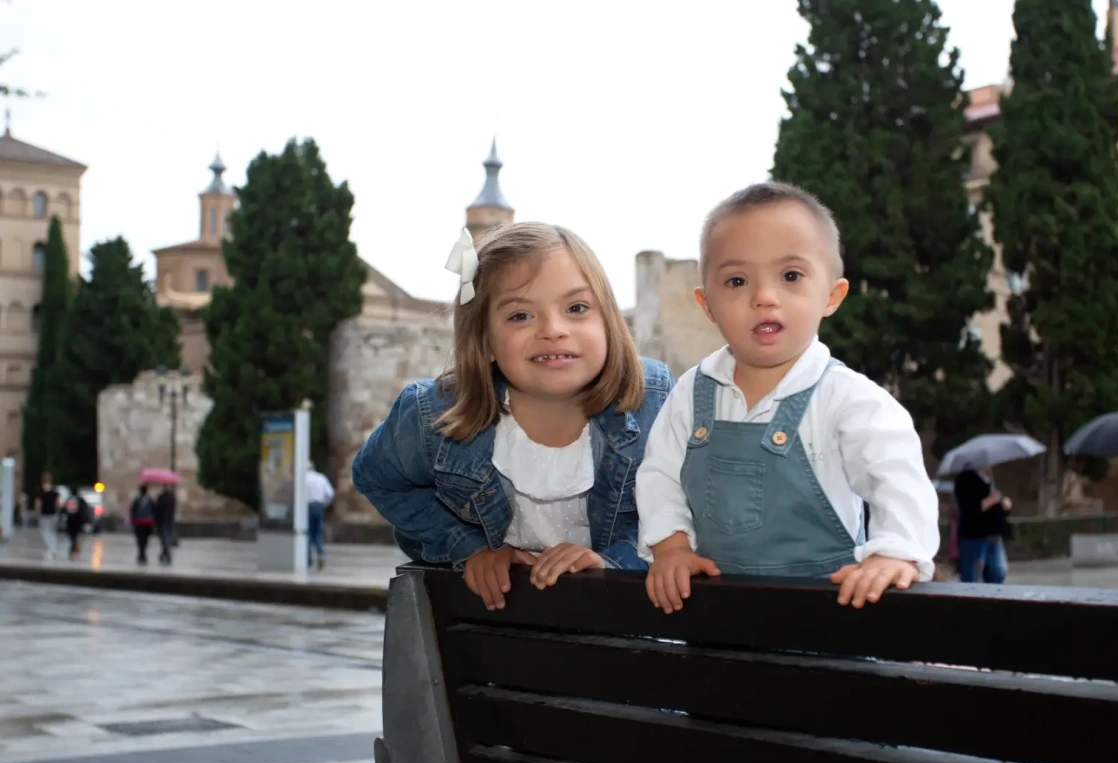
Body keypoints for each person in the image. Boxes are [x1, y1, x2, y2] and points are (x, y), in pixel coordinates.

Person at [635, 182, 940, 613]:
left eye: (791, 276)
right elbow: (660, 476)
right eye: (737, 280)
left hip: (828, 619)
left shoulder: (849, 399)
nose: (764, 297)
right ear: (707, 305)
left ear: (832, 296)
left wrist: (895, 550)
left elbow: (897, 478)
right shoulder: (691, 393)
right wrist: (670, 547)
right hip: (715, 618)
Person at [353, 223, 674, 610]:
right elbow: (377, 477)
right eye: (521, 315)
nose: (553, 330)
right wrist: (466, 547)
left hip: (617, 622)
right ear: (485, 340)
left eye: (576, 308)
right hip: (493, 626)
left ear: (608, 321)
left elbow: (688, 504)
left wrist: (615, 561)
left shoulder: (651, 399)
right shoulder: (433, 416)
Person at [953, 465, 1011, 583]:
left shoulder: (988, 479)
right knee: (972, 576)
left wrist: (1004, 505)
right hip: (975, 536)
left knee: (998, 572)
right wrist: (990, 500)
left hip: (993, 535)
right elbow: (968, 509)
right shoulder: (965, 479)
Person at [305, 461, 335, 570]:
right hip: (319, 506)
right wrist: (324, 504)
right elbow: (330, 493)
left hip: (306, 507)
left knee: (306, 533)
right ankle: (320, 552)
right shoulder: (321, 478)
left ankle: (307, 560)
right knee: (317, 532)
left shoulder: (303, 479)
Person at [129, 484, 168, 566]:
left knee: (144, 539)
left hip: (145, 523)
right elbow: (133, 511)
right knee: (140, 539)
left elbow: (133, 511)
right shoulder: (141, 500)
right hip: (141, 523)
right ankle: (141, 553)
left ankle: (142, 554)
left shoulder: (146, 500)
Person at [62, 485, 91, 560]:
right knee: (75, 538)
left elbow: (64, 510)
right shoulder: (80, 500)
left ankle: (73, 551)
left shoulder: (69, 499)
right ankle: (74, 551)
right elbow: (85, 510)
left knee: (73, 538)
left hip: (70, 522)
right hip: (78, 522)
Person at [37, 473, 60, 559]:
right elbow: (58, 504)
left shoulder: (41, 492)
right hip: (53, 514)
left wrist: (37, 513)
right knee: (52, 532)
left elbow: (38, 504)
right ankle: (53, 549)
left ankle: (51, 549)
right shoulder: (55, 493)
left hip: (44, 514)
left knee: (45, 532)